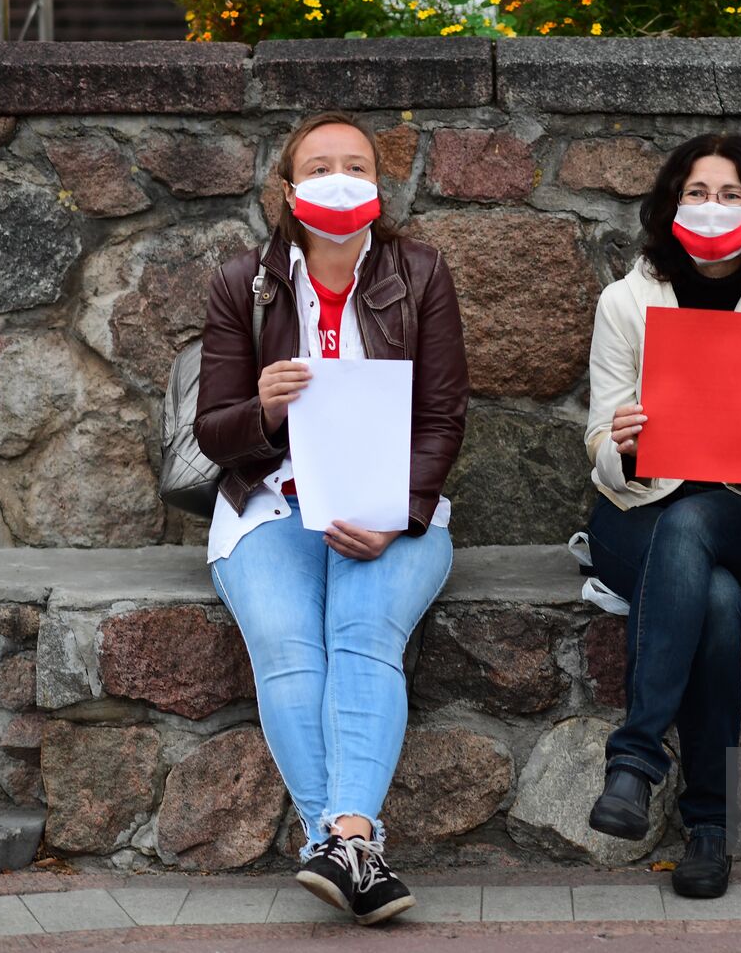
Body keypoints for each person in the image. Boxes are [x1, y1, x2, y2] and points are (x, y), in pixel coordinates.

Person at [195, 111, 469, 925]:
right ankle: (355, 846)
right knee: (288, 642)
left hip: (389, 505)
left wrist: (397, 512)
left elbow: (445, 417)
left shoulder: (422, 273)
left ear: (380, 188)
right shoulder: (243, 281)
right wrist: (266, 411)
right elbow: (214, 430)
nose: (337, 178)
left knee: (361, 629)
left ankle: (338, 840)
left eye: (355, 165)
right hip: (269, 502)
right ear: (287, 189)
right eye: (318, 167)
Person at [582, 134, 741, 899]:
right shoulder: (625, 301)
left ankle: (637, 760)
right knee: (714, 597)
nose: (711, 208)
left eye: (730, 194)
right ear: (670, 203)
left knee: (696, 530)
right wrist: (620, 442)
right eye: (696, 192)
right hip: (638, 508)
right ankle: (711, 827)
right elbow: (597, 438)